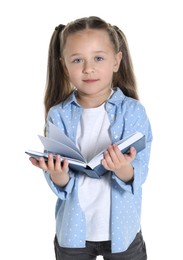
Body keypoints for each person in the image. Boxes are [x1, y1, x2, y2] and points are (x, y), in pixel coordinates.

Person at [29, 16, 152, 260]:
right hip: (73, 234)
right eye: (77, 60)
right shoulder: (59, 115)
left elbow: (140, 172)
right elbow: (62, 182)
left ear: (116, 61)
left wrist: (123, 168)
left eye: (98, 58)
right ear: (64, 66)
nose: (88, 68)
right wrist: (58, 174)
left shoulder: (132, 111)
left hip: (123, 233)